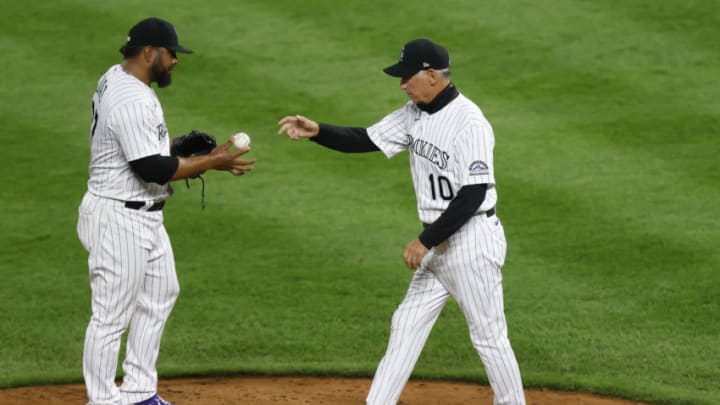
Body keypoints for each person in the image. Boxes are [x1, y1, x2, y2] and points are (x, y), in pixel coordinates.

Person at [277, 38, 525, 404]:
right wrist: (318, 132)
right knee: (405, 325)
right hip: (439, 243)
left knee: (488, 336)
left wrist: (425, 241)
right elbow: (365, 138)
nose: (401, 84)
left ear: (431, 76)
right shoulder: (414, 112)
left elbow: (473, 194)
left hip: (471, 241)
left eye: (407, 76)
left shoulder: (470, 122)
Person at [77, 17, 255, 405]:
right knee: (110, 316)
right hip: (118, 217)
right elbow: (151, 169)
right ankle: (103, 400)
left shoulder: (119, 77)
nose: (175, 60)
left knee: (161, 291)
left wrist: (175, 147)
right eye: (171, 53)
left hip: (144, 214)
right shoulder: (132, 98)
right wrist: (213, 161)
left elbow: (141, 151)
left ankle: (140, 392)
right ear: (148, 52)